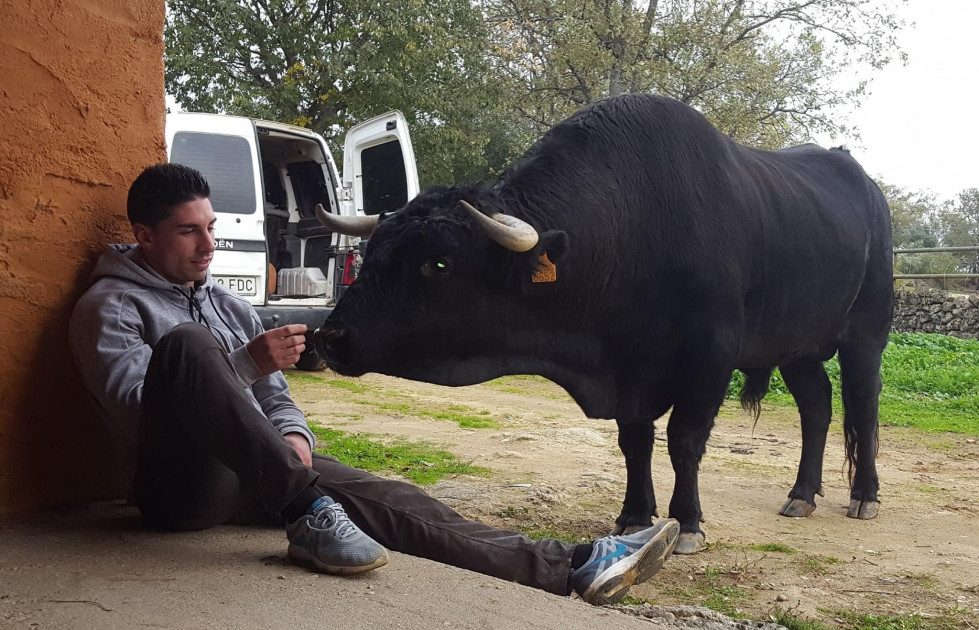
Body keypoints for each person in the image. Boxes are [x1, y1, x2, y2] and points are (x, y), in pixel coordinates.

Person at [69, 163, 679, 605]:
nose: (208, 246)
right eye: (187, 232)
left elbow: (277, 396)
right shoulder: (111, 306)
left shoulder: (228, 303)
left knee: (393, 499)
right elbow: (137, 411)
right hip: (178, 491)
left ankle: (571, 565)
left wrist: (292, 435)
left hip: (258, 474)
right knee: (187, 347)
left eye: (211, 226)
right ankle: (307, 507)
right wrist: (248, 363)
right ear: (144, 236)